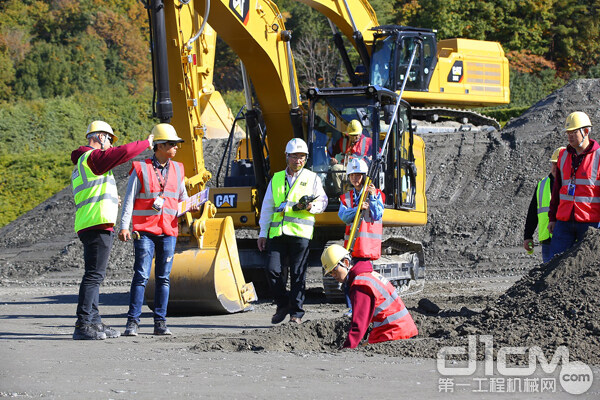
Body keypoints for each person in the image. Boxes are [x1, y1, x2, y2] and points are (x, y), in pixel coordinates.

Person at [71, 120, 153, 340]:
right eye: (109, 138)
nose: (110, 143)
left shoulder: (84, 163)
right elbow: (122, 153)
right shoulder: (91, 158)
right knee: (93, 276)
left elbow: (92, 193)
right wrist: (147, 142)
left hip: (93, 222)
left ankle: (94, 322)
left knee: (95, 275)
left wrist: (111, 200)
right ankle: (84, 324)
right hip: (95, 223)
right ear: (99, 136)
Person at [118, 123, 190, 336]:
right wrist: (123, 226)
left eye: (176, 144)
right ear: (158, 146)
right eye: (171, 144)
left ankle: (160, 323)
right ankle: (133, 322)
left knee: (163, 278)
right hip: (144, 231)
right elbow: (129, 199)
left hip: (168, 230)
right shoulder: (141, 168)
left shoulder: (178, 169)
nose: (176, 147)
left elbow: (182, 198)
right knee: (140, 275)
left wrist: (191, 207)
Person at [257, 138, 328, 324]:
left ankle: (296, 313)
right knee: (272, 270)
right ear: (287, 157)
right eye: (295, 157)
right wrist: (262, 233)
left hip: (300, 234)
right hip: (277, 233)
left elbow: (323, 202)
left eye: (302, 157)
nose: (298, 161)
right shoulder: (277, 178)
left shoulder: (312, 178)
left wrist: (311, 206)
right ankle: (283, 304)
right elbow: (267, 207)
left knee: (298, 274)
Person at [321, 244, 418, 349]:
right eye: (330, 273)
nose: (333, 275)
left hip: (394, 333)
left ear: (346, 263)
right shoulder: (367, 275)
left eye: (334, 270)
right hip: (400, 329)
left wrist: (347, 349)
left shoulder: (361, 284)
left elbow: (359, 325)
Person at [548, 112, 600, 257]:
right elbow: (557, 190)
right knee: (554, 264)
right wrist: (552, 218)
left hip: (591, 223)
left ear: (586, 131)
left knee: (588, 265)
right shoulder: (563, 156)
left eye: (574, 132)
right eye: (568, 133)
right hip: (564, 221)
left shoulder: (598, 157)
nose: (570, 136)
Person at [338, 158, 385, 316]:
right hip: (351, 245)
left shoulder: (376, 194)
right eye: (352, 175)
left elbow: (377, 214)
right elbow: (344, 216)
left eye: (358, 175)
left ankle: (364, 310)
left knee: (362, 280)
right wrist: (358, 208)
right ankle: (353, 309)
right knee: (349, 279)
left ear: (364, 176)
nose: (355, 179)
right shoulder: (347, 197)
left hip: (367, 247)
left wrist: (371, 197)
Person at [523, 146, 565, 263]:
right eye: (553, 164)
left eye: (559, 164)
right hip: (547, 241)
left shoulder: (571, 184)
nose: (555, 168)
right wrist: (528, 236)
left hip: (566, 238)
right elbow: (532, 213)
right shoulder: (542, 185)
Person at [330, 119, 373, 193]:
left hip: (360, 170)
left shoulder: (368, 141)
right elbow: (332, 153)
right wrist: (332, 159)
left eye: (355, 135)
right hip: (346, 168)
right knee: (335, 168)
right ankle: (341, 194)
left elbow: (379, 153)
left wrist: (371, 157)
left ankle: (362, 192)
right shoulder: (342, 141)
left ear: (360, 133)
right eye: (351, 135)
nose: (353, 138)